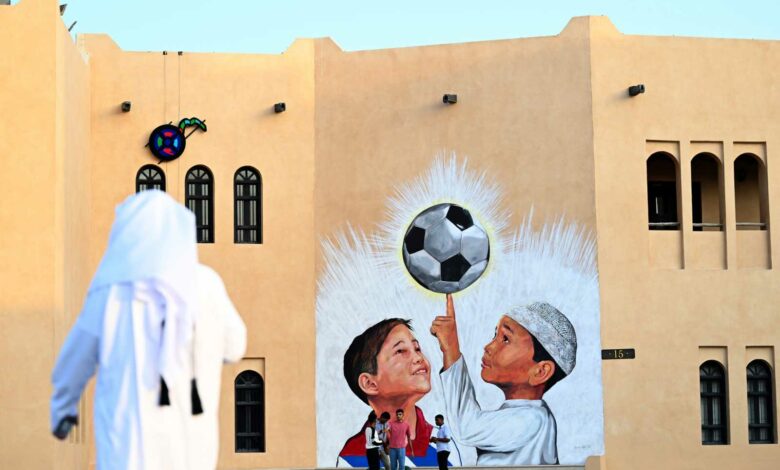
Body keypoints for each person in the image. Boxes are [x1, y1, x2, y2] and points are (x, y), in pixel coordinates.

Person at [50, 191, 247, 470]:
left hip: (127, 451)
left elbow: (75, 360)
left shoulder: (110, 292)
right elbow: (235, 346)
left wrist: (62, 410)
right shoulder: (207, 284)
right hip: (192, 452)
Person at [430, 295, 577, 465]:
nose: (489, 347)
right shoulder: (528, 415)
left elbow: (467, 426)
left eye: (505, 339)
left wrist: (451, 348)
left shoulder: (531, 420)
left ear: (540, 371)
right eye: (495, 335)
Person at [337, 318, 439, 467]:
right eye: (400, 351)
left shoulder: (440, 443)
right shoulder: (351, 458)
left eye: (417, 348)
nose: (418, 358)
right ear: (370, 383)